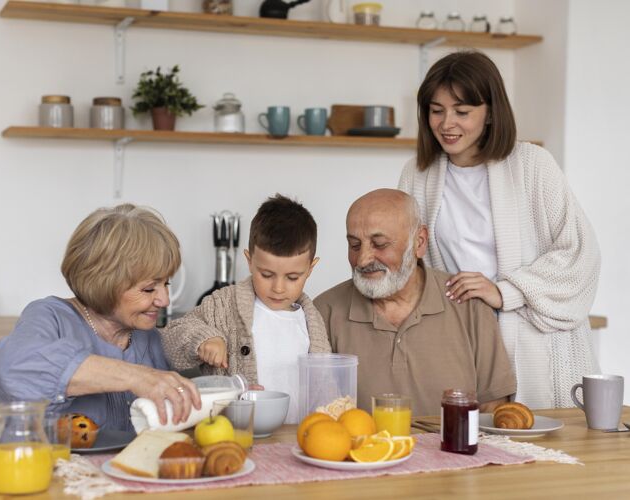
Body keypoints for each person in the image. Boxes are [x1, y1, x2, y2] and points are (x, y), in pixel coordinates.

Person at [398, 50, 601, 409]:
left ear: (490, 113)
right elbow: (412, 261)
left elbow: (579, 254)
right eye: (436, 110)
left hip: (536, 342)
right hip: (463, 340)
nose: (447, 123)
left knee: (544, 451)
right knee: (468, 451)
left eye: (462, 112)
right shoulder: (418, 176)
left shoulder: (533, 165)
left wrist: (504, 292)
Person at [0, 204, 201, 439]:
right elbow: (13, 370)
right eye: (149, 289)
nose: (164, 299)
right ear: (105, 282)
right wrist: (137, 377)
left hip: (91, 474)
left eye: (166, 284)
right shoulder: (50, 316)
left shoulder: (148, 338)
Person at [314, 189, 515, 416]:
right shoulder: (324, 311)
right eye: (354, 245)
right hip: (365, 450)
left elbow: (495, 410)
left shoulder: (470, 305)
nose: (363, 260)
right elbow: (319, 413)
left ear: (419, 242)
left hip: (452, 450)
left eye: (379, 244)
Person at [161, 194, 331, 423]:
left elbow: (326, 384)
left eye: (292, 277)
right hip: (236, 432)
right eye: (266, 274)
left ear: (311, 268)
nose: (278, 288)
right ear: (249, 261)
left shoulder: (312, 321)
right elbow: (171, 336)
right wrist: (203, 339)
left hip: (297, 436)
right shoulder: (223, 305)